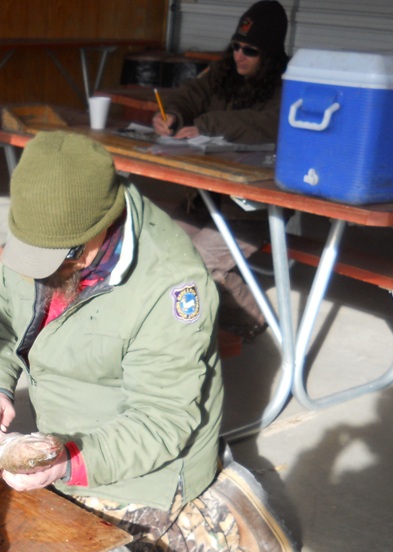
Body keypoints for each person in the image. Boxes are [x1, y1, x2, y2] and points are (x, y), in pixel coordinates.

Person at [0, 131, 299, 552]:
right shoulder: (48, 228)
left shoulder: (172, 286)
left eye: (59, 258)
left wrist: (70, 461)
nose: (39, 272)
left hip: (148, 461)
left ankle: (216, 514)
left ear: (102, 224)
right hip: (66, 434)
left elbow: (163, 420)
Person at [152, 0, 292, 339]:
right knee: (159, 244)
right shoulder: (224, 70)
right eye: (235, 46)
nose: (238, 55)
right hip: (204, 196)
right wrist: (173, 114)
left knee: (198, 261)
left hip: (254, 206)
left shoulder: (287, 83)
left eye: (250, 50)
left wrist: (207, 124)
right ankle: (196, 317)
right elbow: (190, 94)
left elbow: (270, 123)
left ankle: (254, 317)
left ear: (270, 55)